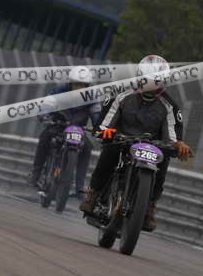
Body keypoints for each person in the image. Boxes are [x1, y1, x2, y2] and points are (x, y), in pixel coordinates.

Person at [79, 54, 193, 230]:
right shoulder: (119, 94)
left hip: (151, 146)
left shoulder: (170, 106)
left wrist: (179, 145)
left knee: (164, 160)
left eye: (157, 83)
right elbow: (102, 125)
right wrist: (107, 132)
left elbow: (172, 138)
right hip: (121, 141)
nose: (152, 87)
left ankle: (150, 205)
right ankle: (93, 193)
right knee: (109, 150)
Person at [27, 65, 101, 196]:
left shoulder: (92, 97)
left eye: (82, 85)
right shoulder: (59, 90)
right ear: (70, 83)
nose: (79, 88)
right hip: (58, 125)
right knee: (45, 137)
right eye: (76, 84)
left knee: (87, 147)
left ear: (87, 86)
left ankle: (79, 187)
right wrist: (44, 115)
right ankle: (35, 174)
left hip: (77, 130)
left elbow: (96, 114)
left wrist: (98, 127)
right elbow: (47, 104)